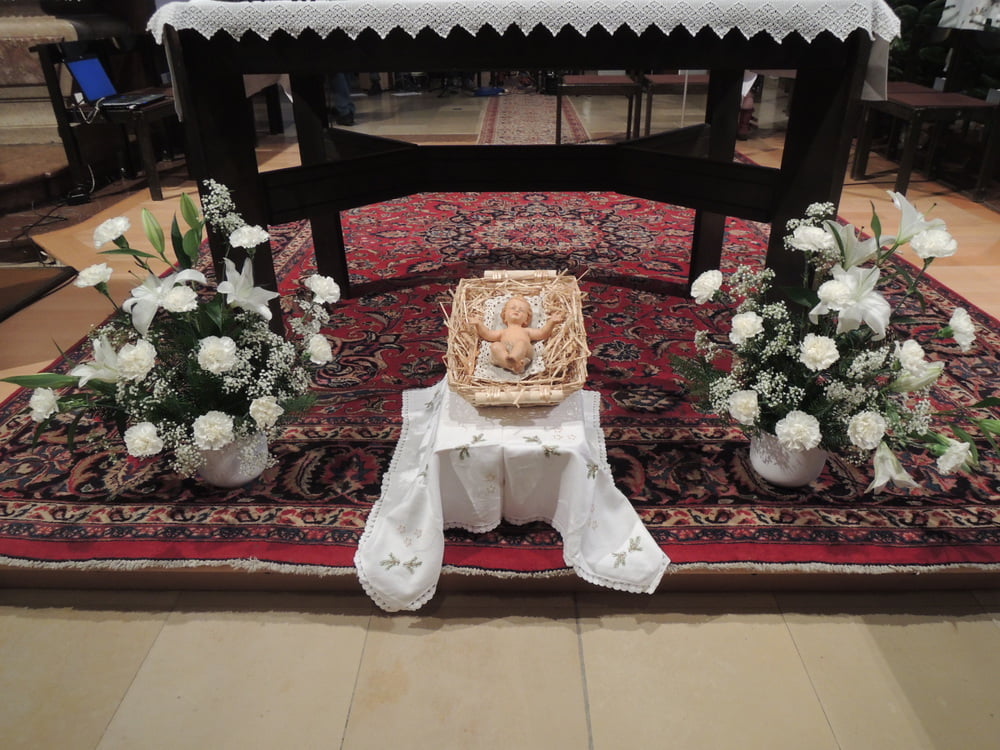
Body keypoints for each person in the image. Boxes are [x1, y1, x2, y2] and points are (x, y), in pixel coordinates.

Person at [471, 296, 565, 374]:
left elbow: (542, 333)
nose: (517, 310)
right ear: (504, 315)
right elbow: (488, 334)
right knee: (495, 346)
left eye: (522, 310)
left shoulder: (526, 331)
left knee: (521, 343)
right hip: (506, 353)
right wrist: (478, 324)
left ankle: (514, 358)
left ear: (526, 320)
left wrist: (551, 322)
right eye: (513, 308)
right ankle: (512, 364)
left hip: (524, 353)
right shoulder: (503, 332)